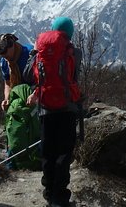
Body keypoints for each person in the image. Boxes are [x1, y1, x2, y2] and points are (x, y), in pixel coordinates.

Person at [26, 16, 81, 207]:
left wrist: (35, 52)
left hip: (45, 108)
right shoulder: (75, 52)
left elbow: (27, 75)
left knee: (48, 151)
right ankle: (60, 196)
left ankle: (48, 192)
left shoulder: (40, 53)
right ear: (70, 33)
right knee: (63, 152)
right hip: (67, 108)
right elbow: (74, 75)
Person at [0, 33, 33, 111]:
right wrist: (6, 99)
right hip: (19, 100)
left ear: (11, 45)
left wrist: (35, 94)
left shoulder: (30, 54)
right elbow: (8, 82)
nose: (3, 55)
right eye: (0, 54)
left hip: (34, 96)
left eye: (5, 52)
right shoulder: (4, 62)